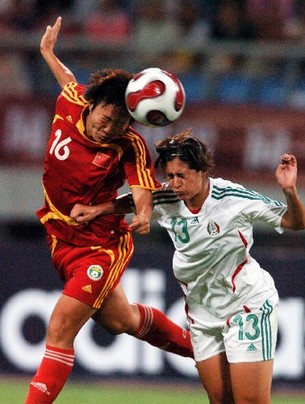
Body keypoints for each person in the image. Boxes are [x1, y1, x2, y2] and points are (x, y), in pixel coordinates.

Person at [25, 17, 193, 404]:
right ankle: (206, 354)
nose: (111, 127)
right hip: (60, 235)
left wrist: (139, 215)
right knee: (122, 321)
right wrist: (48, 51)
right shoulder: (72, 99)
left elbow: (142, 192)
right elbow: (66, 78)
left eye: (122, 121)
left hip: (101, 246)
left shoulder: (130, 146)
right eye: (108, 116)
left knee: (60, 329)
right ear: (93, 102)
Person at [71, 128, 305, 403]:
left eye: (182, 175)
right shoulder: (168, 198)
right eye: (170, 176)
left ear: (202, 171)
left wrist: (289, 190)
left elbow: (295, 222)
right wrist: (97, 210)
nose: (175, 183)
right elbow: (136, 201)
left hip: (245, 304)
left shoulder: (233, 198)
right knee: (220, 399)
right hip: (202, 314)